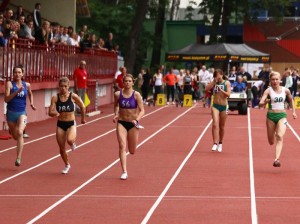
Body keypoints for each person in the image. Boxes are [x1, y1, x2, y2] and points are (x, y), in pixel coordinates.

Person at [259, 71, 297, 167]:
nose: (275, 81)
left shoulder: (285, 90)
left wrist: (293, 112)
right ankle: (275, 132)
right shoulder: (268, 91)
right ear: (270, 80)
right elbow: (260, 103)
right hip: (271, 117)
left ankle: (277, 159)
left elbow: (291, 100)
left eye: (277, 79)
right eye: (273, 79)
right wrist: (265, 102)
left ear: (280, 80)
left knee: (280, 136)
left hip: (282, 116)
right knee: (271, 141)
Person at [48, 77, 86, 174]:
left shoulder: (73, 96)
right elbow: (50, 112)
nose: (63, 88)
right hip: (60, 124)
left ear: (69, 87)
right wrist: (54, 113)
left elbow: (82, 106)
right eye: (61, 86)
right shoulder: (55, 98)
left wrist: (82, 118)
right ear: (59, 87)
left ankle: (73, 143)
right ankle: (67, 164)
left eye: (65, 86)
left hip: (71, 123)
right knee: (61, 148)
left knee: (70, 140)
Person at [113, 74, 145, 180]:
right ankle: (124, 171)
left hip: (133, 124)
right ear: (123, 82)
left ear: (133, 82)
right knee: (122, 146)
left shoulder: (136, 95)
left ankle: (126, 166)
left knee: (132, 151)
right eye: (125, 81)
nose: (127, 83)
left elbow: (142, 110)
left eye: (129, 81)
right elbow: (116, 106)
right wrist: (116, 114)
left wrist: (137, 120)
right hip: (121, 122)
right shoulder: (118, 94)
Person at [4, 65, 36, 166]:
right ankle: (12, 131)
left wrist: (31, 103)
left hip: (22, 113)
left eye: (19, 72)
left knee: (20, 132)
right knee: (15, 136)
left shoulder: (27, 85)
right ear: (13, 74)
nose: (17, 74)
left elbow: (30, 94)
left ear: (22, 74)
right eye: (15, 72)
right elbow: (6, 99)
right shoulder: (9, 84)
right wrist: (17, 91)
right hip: (11, 114)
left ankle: (18, 158)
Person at [205, 69, 231, 152]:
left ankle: (220, 143)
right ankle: (215, 143)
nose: (218, 77)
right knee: (215, 124)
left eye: (219, 75)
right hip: (215, 106)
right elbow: (206, 89)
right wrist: (213, 82)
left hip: (224, 106)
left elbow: (229, 94)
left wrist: (221, 90)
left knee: (222, 126)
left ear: (222, 75)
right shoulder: (214, 82)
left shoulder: (226, 83)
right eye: (216, 76)